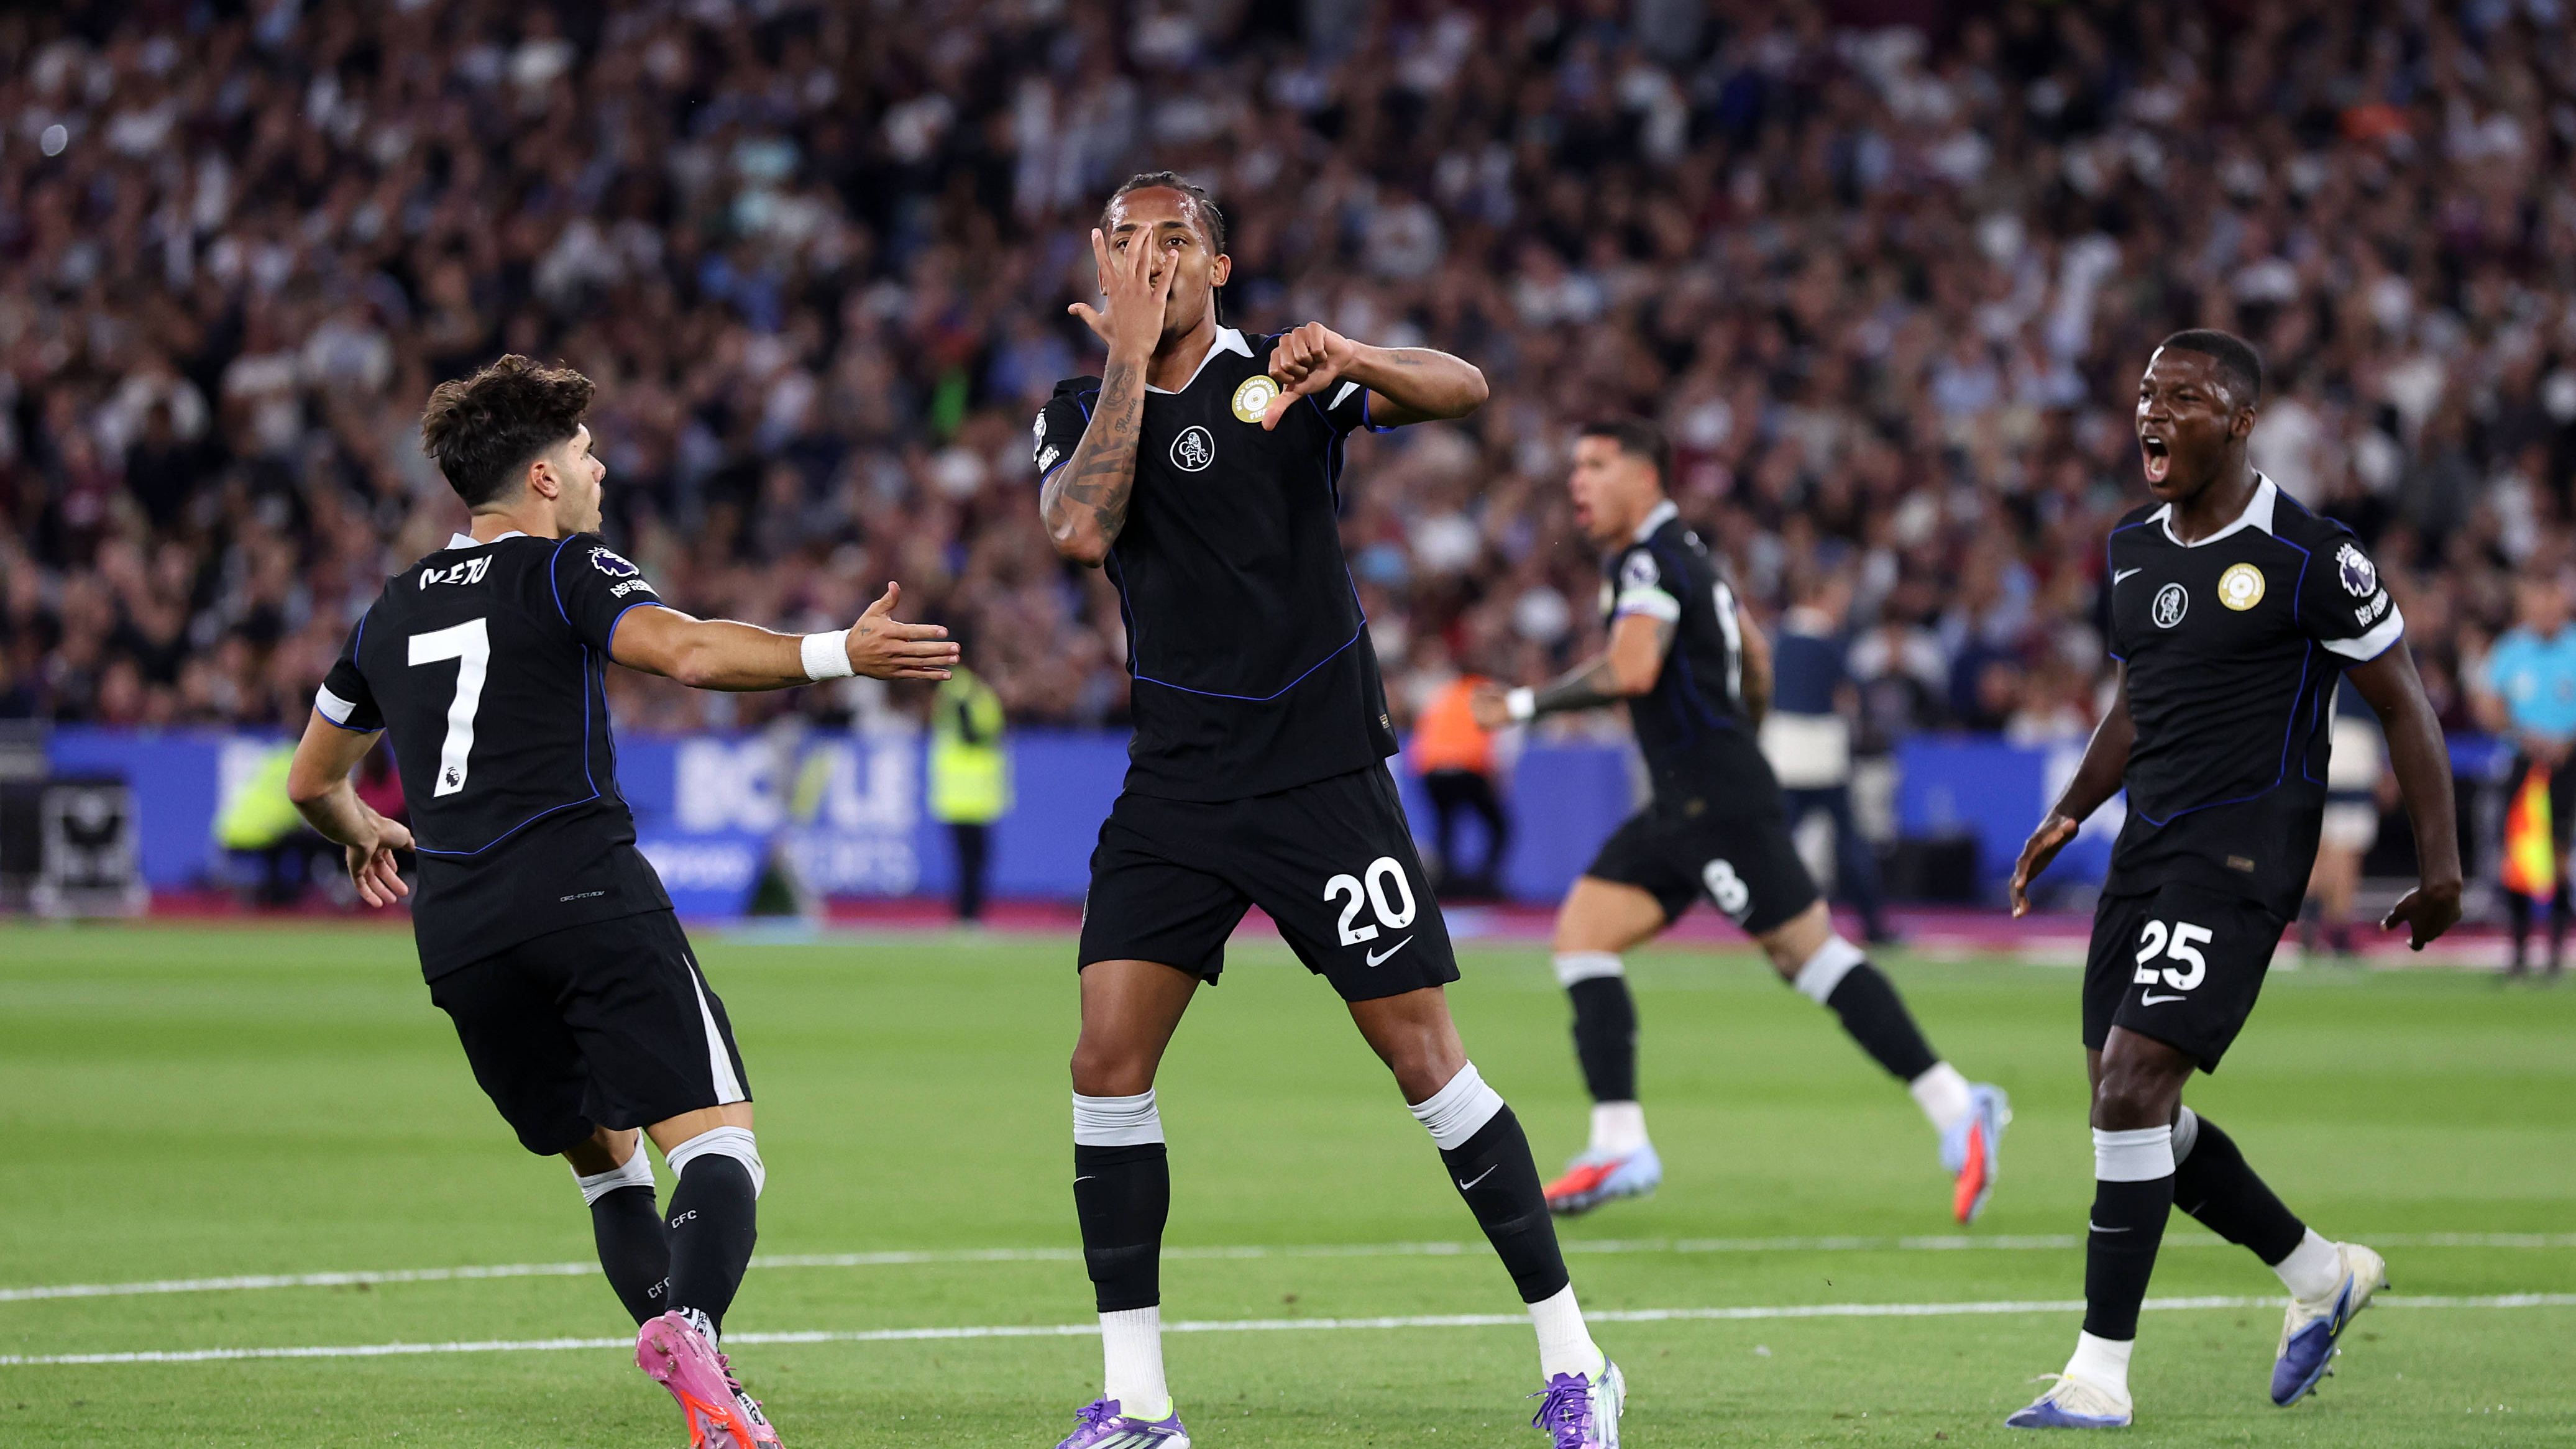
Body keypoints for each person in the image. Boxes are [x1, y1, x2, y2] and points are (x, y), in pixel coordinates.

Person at [1034, 173, 1622, 1449]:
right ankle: (1139, 1403)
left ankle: (1577, 1358)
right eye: (1128, 243)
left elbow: (1464, 389)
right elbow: (1078, 531)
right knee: (1104, 1064)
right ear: (1101, 261)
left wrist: (1353, 355)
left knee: (1425, 1062)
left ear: (1219, 267)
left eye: (1176, 241)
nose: (1151, 260)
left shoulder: (1285, 376)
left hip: (1320, 777)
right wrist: (1126, 360)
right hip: (1176, 786)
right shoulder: (1079, 407)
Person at [283, 355, 958, 1449]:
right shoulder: (565, 568)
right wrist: (840, 651)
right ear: (543, 477)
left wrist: (363, 829)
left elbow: (311, 781)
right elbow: (684, 653)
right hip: (583, 889)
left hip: (458, 930)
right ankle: (693, 1327)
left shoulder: (389, 611)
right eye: (587, 453)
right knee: (721, 1144)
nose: (600, 470)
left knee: (608, 1168)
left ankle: (711, 1403)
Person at [2004, 331, 2460, 1429]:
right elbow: (2140, 698)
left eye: (2184, 397)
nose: (2153, 414)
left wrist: (2442, 866)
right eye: (2145, 395)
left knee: (2130, 1089)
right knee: (2129, 1109)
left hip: (2245, 857)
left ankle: (2097, 1377)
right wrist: (2073, 807)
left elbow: (2404, 702)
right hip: (2146, 852)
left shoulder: (2313, 556)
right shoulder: (2130, 547)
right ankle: (2321, 1274)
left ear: (2242, 421)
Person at [1470, 421, 2009, 1225]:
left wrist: (1522, 705)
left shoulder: (1649, 559)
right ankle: (1619, 1143)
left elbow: (1633, 668)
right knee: (1582, 936)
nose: (1577, 481)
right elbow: (1752, 656)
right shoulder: (1688, 556)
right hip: (1688, 799)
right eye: (1574, 465)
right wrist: (1737, 735)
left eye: (1596, 465)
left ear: (1644, 477)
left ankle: (1959, 1106)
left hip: (1714, 803)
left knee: (1808, 957)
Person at [1764, 569, 1895, 944]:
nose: (1843, 608)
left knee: (1777, 843)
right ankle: (1872, 923)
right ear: (1818, 597)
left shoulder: (1779, 639)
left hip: (1785, 755)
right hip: (1822, 759)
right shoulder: (1825, 641)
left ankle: (1763, 915)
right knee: (1850, 844)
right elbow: (1852, 693)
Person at [2470, 574, 2576, 979]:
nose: (2545, 612)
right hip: (2522, 761)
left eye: (2552, 603)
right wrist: (2521, 734)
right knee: (2517, 855)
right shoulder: (2511, 649)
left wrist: (2566, 741)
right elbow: (2486, 703)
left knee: (2559, 854)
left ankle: (2555, 952)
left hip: (2567, 762)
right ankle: (2518, 951)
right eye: (2538, 604)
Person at [1409, 651, 1512, 898]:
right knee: (1498, 826)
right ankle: (1485, 881)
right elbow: (1504, 741)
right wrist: (1498, 777)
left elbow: (1421, 734)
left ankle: (1446, 883)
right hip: (1469, 766)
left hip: (1433, 769)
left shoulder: (1443, 693)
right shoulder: (1490, 692)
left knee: (1445, 825)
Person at [2302, 681, 2385, 960]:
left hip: (2312, 747)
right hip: (2354, 747)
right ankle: (2337, 928)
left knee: (2318, 845)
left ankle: (2310, 922)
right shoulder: (2366, 659)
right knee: (2346, 848)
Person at [929, 659, 1009, 923]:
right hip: (967, 793)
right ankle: (968, 915)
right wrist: (992, 736)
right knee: (973, 859)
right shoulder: (965, 692)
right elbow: (971, 734)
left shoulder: (964, 689)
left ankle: (969, 914)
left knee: (971, 860)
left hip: (967, 793)